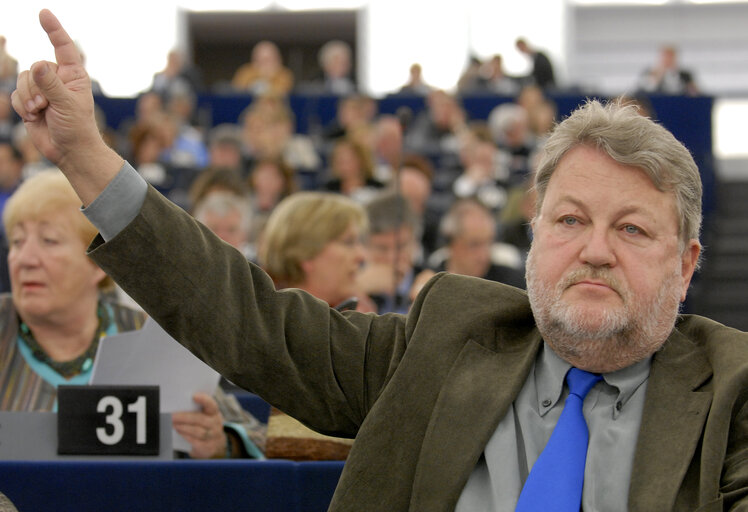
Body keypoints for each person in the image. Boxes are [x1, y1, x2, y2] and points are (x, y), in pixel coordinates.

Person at [12, 11, 747, 510]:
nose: (594, 250)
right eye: (570, 220)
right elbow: (249, 320)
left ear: (686, 267)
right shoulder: (445, 340)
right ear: (534, 237)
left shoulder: (733, 396)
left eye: (632, 230)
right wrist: (85, 158)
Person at [0, 170, 260, 459]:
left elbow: (257, 437)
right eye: (17, 242)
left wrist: (221, 443)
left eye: (49, 241)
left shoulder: (152, 337)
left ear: (98, 260)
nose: (25, 259)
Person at [257, 191, 372, 313]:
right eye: (348, 242)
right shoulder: (261, 319)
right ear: (304, 252)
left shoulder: (356, 308)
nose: (362, 256)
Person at [430, 198, 525, 289]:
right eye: (474, 245)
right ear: (451, 243)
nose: (484, 255)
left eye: (489, 243)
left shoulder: (510, 284)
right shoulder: (430, 283)